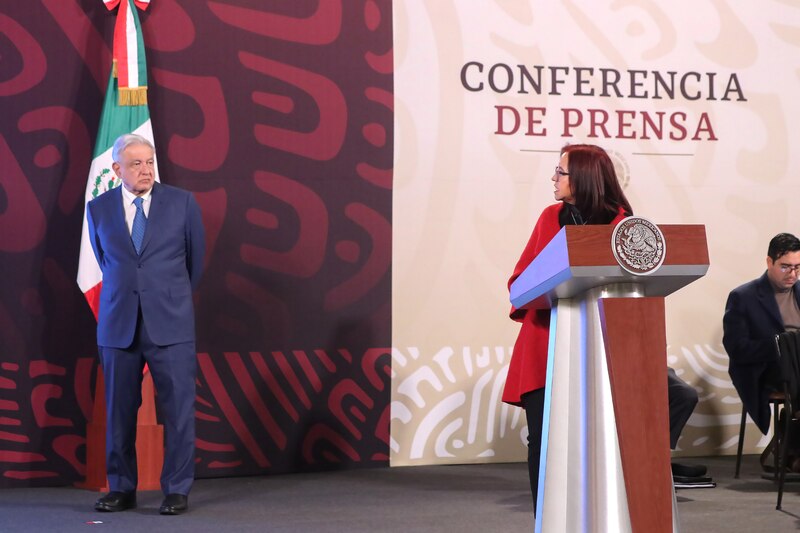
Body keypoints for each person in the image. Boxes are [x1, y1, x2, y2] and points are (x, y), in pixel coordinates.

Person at [502, 144, 633, 512]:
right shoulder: (549, 217)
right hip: (545, 342)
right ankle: (547, 517)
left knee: (595, 439)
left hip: (599, 345)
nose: (553, 178)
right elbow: (520, 282)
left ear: (585, 178)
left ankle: (596, 514)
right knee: (543, 440)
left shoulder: (623, 225)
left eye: (560, 172)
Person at [86, 133, 205, 515]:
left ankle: (176, 489)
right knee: (119, 411)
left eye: (150, 162)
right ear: (117, 169)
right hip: (119, 324)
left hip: (170, 324)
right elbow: (108, 262)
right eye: (136, 164)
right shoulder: (99, 208)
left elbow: (194, 265)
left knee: (178, 411)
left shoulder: (182, 203)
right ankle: (121, 488)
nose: (146, 170)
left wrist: (163, 296)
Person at [723, 233, 800, 464]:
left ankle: (791, 441)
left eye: (798, 267)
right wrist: (780, 345)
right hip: (766, 369)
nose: (793, 274)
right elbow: (737, 348)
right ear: (769, 262)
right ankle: (791, 443)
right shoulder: (743, 297)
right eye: (786, 267)